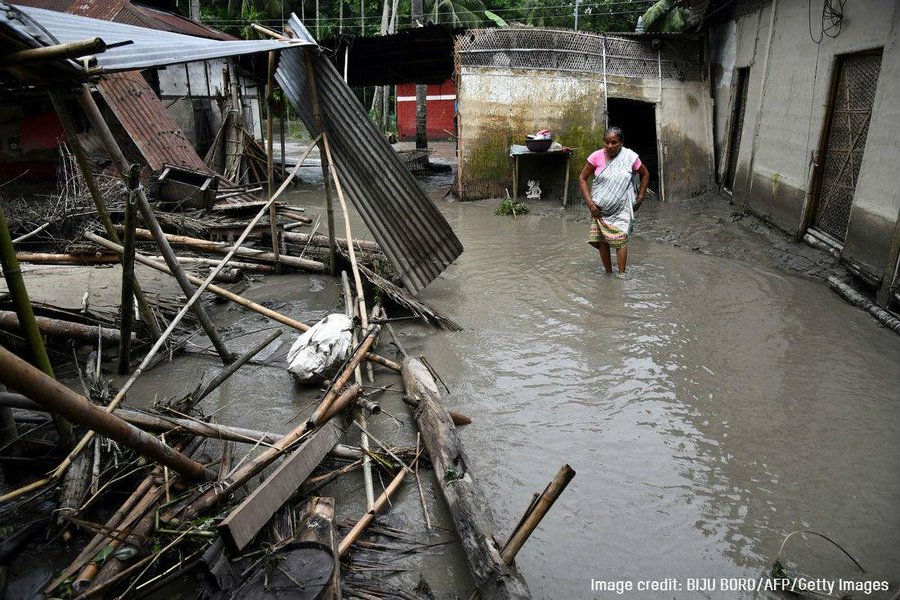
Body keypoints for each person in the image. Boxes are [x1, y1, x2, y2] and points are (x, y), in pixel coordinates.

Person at [578, 126, 650, 275]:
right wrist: (590, 204)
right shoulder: (596, 157)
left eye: (614, 142)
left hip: (622, 206)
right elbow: (582, 178)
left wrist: (640, 197)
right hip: (599, 209)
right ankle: (608, 273)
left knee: (621, 239)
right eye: (606, 142)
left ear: (621, 143)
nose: (609, 146)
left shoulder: (629, 157)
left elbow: (645, 174)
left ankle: (622, 275)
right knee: (602, 240)